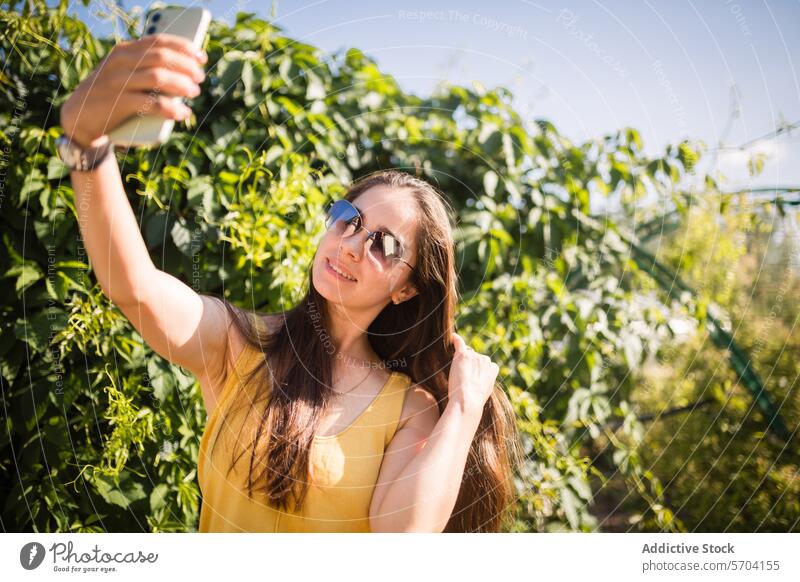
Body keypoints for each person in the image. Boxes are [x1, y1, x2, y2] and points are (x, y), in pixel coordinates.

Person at [59, 33, 523, 532]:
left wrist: (464, 408)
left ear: (407, 288)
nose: (349, 244)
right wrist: (88, 148)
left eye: (383, 244)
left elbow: (404, 543)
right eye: (348, 218)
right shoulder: (240, 345)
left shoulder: (410, 410)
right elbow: (137, 288)